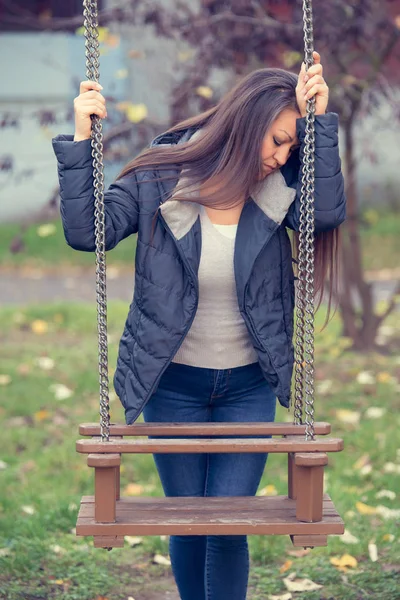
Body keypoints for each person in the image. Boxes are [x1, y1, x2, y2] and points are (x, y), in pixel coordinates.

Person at [52, 50, 346, 600]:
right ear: (248, 123)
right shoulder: (160, 177)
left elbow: (325, 213)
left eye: (292, 146)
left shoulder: (280, 190)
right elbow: (87, 232)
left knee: (229, 525)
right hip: (174, 384)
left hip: (248, 385)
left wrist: (318, 127)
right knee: (187, 522)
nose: (283, 156)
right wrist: (81, 143)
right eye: (278, 139)